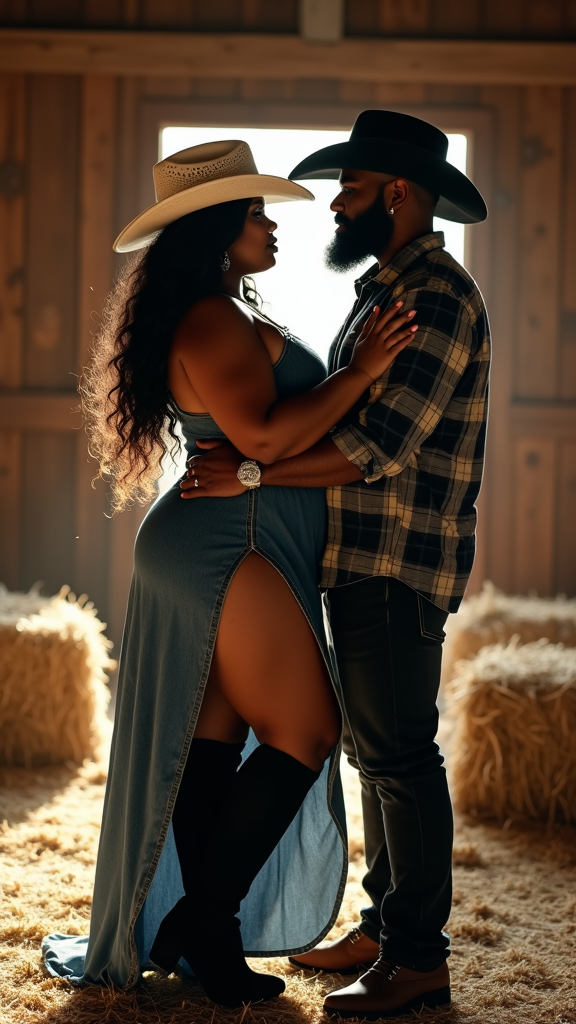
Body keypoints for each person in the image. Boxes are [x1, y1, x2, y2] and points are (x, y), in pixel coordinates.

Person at [41, 140, 416, 1009]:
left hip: (233, 530)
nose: (271, 223)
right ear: (215, 229)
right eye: (254, 213)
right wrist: (362, 371)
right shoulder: (212, 318)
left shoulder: (224, 308)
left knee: (209, 742)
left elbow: (259, 444)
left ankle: (203, 936)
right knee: (304, 731)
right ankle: (204, 920)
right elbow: (267, 440)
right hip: (229, 540)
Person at [179, 110, 491, 1019]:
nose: (336, 207)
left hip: (396, 559)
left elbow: (375, 447)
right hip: (359, 557)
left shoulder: (433, 296)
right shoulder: (390, 289)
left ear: (398, 193)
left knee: (398, 753)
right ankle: (385, 926)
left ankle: (417, 960)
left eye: (350, 191)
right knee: (373, 752)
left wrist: (249, 469)